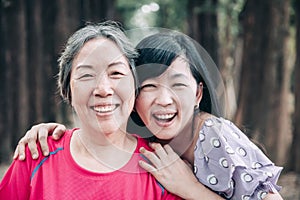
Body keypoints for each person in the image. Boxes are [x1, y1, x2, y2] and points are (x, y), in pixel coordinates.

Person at [13, 30, 283, 200]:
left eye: (178, 84)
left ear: (199, 94)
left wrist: (192, 189)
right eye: (150, 86)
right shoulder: (152, 145)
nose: (163, 100)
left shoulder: (213, 136)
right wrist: (46, 131)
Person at [0, 22, 218, 200]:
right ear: (67, 89)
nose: (103, 89)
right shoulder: (37, 154)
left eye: (116, 73)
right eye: (86, 75)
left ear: (135, 87)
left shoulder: (162, 168)